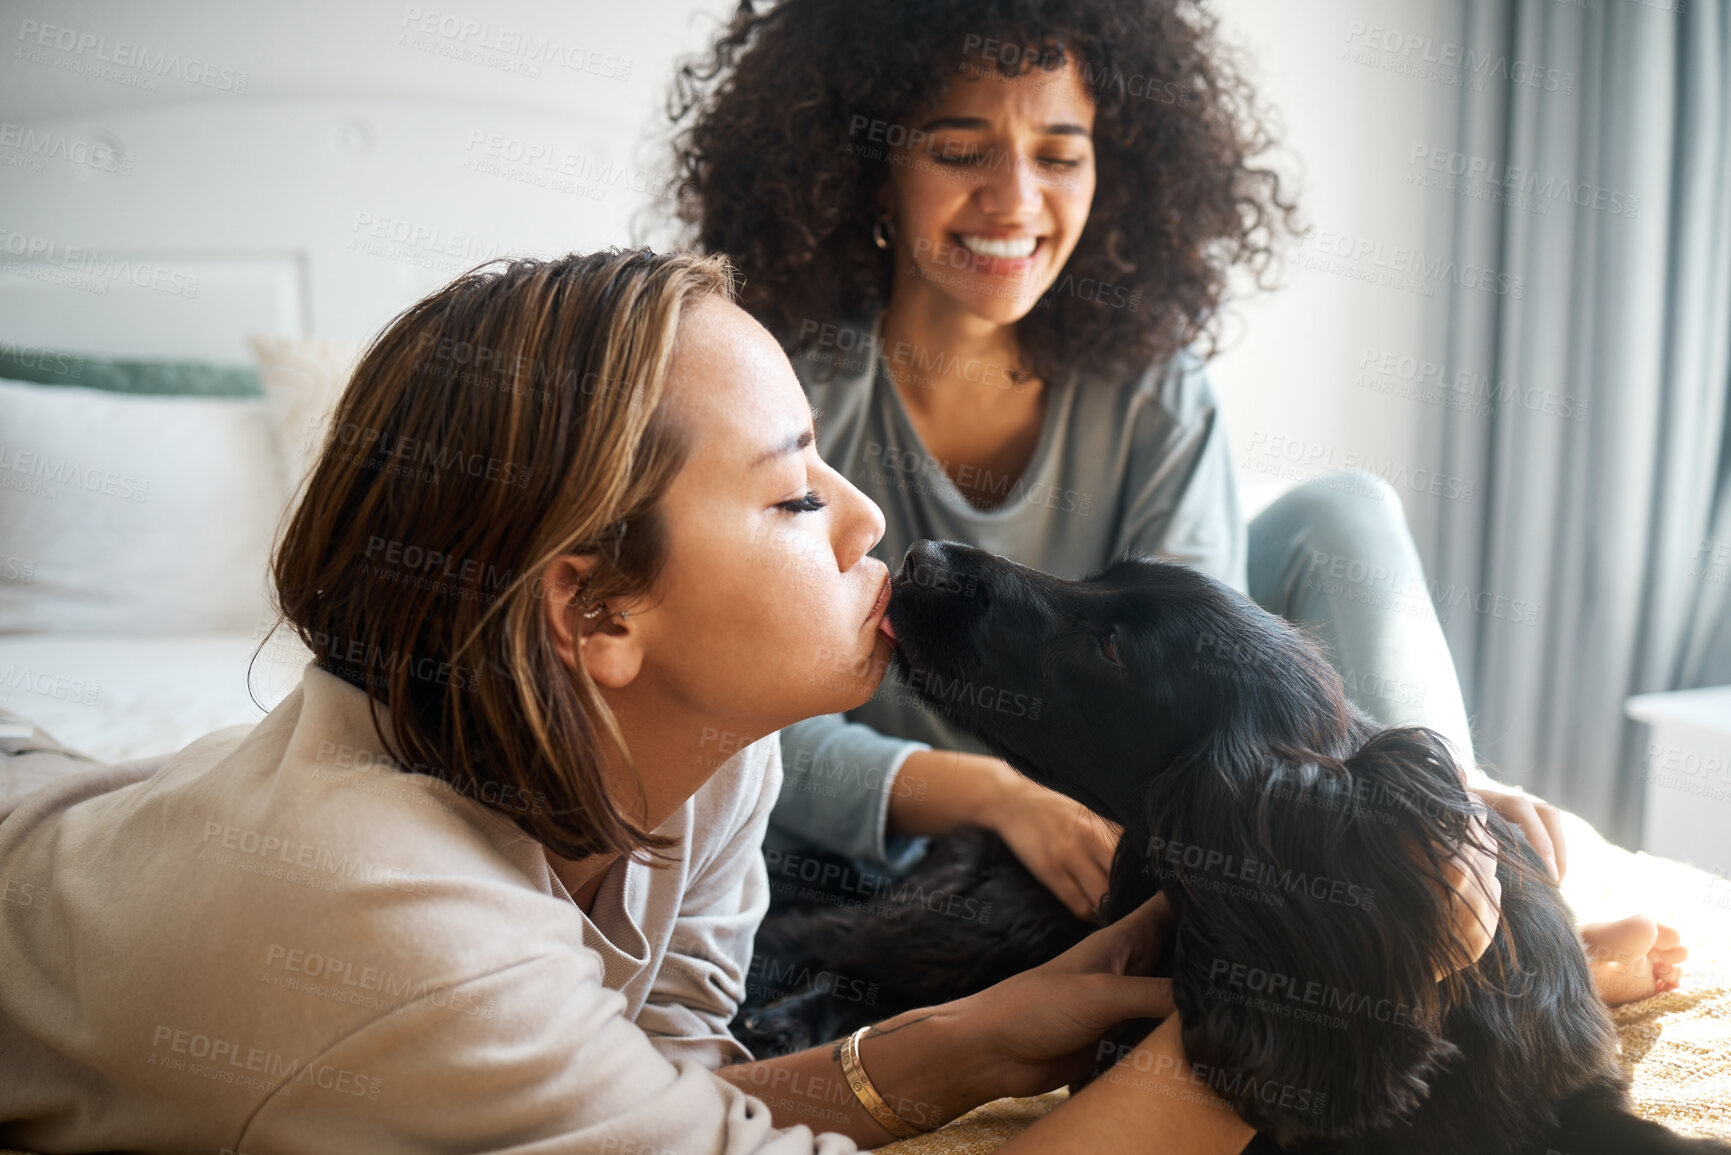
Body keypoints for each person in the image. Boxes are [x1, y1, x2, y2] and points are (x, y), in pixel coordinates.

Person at [1, 246, 1360, 1153]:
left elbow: (669, 1097)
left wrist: (982, 1034)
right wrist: (1304, 1019)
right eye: (786, 493)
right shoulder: (402, 929)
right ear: (593, 611)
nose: (865, 516)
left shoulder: (704, 758)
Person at [667, 0, 1686, 1000]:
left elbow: (1209, 671)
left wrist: (1406, 778)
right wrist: (990, 793)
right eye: (960, 149)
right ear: (872, 170)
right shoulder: (789, 387)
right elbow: (729, 711)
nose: (1016, 197)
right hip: (913, 818)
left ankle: (1447, 852)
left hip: (1114, 772)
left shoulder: (1155, 387)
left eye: (1060, 155)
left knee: (1342, 512)